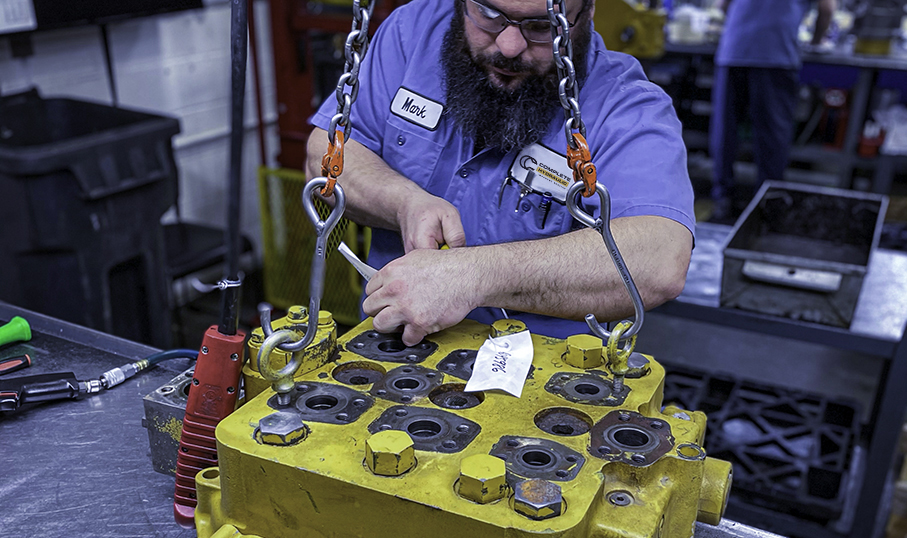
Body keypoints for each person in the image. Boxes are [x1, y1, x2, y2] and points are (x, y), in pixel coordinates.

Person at [307, 0, 695, 346]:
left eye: (542, 26)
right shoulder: (412, 35)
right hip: (395, 356)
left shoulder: (625, 106)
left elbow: (659, 261)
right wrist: (402, 202)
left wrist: (472, 276)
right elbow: (325, 156)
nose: (509, 46)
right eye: (489, 14)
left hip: (543, 393)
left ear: (587, 14)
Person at [709, 0, 836, 223]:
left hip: (734, 49)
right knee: (772, 135)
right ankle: (768, 205)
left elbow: (722, 5)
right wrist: (816, 41)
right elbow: (826, 10)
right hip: (776, 53)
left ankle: (722, 199)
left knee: (725, 130)